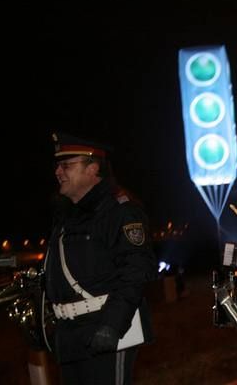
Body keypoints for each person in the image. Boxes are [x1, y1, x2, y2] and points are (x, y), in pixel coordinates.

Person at [44, 132, 157, 385]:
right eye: (57, 166)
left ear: (93, 168)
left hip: (106, 332)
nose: (58, 172)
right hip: (71, 338)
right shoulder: (65, 217)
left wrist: (112, 326)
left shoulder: (120, 211)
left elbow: (135, 271)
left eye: (67, 165)